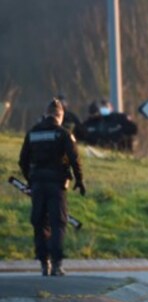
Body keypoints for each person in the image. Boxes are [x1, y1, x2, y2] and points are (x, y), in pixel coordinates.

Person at [18, 98, 85, 276]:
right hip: (57, 185)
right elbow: (74, 158)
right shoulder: (63, 134)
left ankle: (43, 263)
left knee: (40, 222)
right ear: (60, 116)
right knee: (58, 222)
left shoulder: (32, 133)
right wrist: (80, 180)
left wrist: (30, 180)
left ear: (46, 114)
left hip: (38, 184)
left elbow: (23, 160)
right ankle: (56, 264)